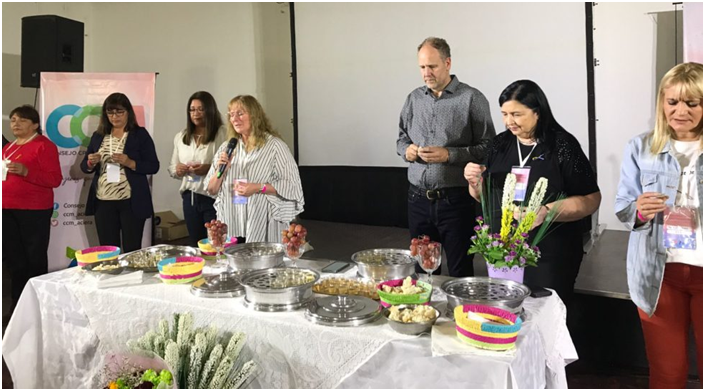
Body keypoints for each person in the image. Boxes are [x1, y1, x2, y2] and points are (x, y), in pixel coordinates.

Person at [464, 80, 601, 306]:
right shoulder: (499, 144)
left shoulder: (563, 145)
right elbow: (482, 197)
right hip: (504, 253)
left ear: (537, 112)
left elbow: (591, 199)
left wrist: (546, 211)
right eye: (504, 114)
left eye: (517, 114)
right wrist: (475, 182)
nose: (509, 121)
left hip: (548, 255)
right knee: (505, 315)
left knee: (544, 316)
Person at [615, 62, 702, 389]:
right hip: (658, 273)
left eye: (692, 103)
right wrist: (638, 211)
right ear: (662, 103)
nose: (680, 111)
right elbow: (623, 208)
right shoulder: (640, 147)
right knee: (667, 374)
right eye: (673, 102)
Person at [396, 37, 495, 277]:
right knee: (423, 270)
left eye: (432, 66)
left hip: (456, 200)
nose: (426, 73)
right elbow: (401, 140)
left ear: (448, 63)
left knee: (460, 270)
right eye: (422, 67)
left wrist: (449, 155)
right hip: (417, 200)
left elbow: (490, 147)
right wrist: (407, 150)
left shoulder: (472, 98)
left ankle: (459, 314)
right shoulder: (413, 99)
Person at [205, 95, 304, 242]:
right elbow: (211, 189)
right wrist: (222, 170)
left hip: (263, 223)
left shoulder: (275, 147)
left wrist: (259, 187)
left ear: (255, 116)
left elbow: (292, 185)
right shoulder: (227, 148)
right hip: (232, 223)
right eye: (231, 114)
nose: (235, 119)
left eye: (240, 113)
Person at [80, 93, 159, 252]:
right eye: (110, 113)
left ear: (128, 112)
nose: (114, 117)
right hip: (103, 200)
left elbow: (153, 166)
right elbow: (84, 166)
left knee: (132, 249)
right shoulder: (98, 136)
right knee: (108, 250)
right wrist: (90, 162)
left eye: (119, 112)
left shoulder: (139, 134)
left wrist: (130, 163)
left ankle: (133, 276)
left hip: (131, 201)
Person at [2, 105, 62, 303]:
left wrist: (27, 172)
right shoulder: (8, 147)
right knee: (13, 260)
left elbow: (54, 179)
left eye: (22, 120)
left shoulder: (44, 146)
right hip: (7, 208)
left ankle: (38, 303)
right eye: (13, 120)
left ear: (35, 124)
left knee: (33, 259)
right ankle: (19, 304)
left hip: (34, 210)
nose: (16, 124)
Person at [168, 91, 227, 246]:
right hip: (190, 197)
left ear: (210, 110)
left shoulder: (223, 133)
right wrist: (178, 170)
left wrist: (209, 169)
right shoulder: (182, 136)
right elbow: (172, 167)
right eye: (192, 109)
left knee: (215, 244)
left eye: (201, 109)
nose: (196, 113)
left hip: (213, 198)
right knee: (196, 244)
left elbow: (233, 165)